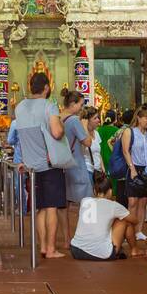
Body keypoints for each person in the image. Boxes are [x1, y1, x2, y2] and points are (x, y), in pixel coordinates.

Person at [12, 70, 67, 259]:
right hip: (49, 162)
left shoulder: (19, 107)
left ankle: (42, 246)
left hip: (31, 165)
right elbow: (57, 132)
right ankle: (51, 249)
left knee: (40, 207)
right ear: (46, 87)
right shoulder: (49, 106)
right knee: (51, 206)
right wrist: (62, 125)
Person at [70, 171, 133, 261]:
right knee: (122, 220)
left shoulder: (85, 201)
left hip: (76, 250)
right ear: (110, 191)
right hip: (102, 253)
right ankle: (135, 250)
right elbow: (134, 220)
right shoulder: (113, 205)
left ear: (94, 191)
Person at [119, 106, 147, 252]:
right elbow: (125, 150)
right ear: (139, 118)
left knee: (144, 201)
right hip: (135, 167)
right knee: (133, 201)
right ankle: (128, 229)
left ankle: (138, 230)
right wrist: (132, 168)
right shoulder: (130, 132)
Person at [60, 90, 90, 235]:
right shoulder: (73, 120)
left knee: (63, 205)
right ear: (72, 104)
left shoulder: (57, 118)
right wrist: (84, 125)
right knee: (87, 201)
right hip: (76, 164)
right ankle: (86, 235)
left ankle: (67, 238)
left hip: (61, 165)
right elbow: (88, 142)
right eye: (80, 104)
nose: (81, 108)